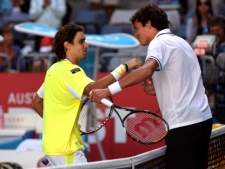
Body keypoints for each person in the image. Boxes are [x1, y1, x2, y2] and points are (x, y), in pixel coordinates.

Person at [89, 4, 213, 169]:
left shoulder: (158, 43)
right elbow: (182, 83)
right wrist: (155, 91)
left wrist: (108, 90)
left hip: (183, 125)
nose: (135, 33)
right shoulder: (183, 43)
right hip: (203, 121)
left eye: (137, 28)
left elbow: (146, 70)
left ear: (148, 24)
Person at [32, 23, 142, 166]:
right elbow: (93, 88)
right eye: (81, 41)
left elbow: (36, 103)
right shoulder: (70, 71)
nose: (86, 45)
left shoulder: (54, 70)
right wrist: (124, 67)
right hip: (66, 150)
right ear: (67, 46)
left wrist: (59, 125)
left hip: (53, 147)